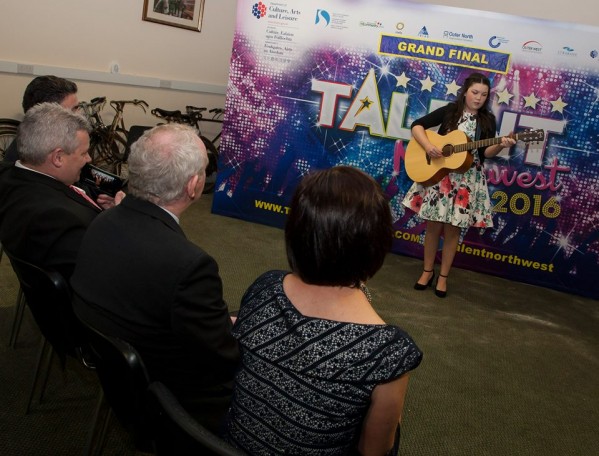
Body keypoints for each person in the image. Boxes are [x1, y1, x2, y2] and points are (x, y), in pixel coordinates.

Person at [223, 166, 423, 456]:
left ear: (296, 233)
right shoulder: (389, 352)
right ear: (376, 243)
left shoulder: (265, 287)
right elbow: (374, 451)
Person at [71, 124, 240, 432]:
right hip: (174, 402)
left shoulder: (101, 221)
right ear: (193, 185)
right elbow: (224, 357)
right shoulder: (189, 265)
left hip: (119, 380)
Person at [402, 72, 516, 298]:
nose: (478, 98)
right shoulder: (449, 112)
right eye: (475, 92)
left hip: (467, 180)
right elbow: (417, 126)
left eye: (484, 95)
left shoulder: (488, 120)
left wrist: (502, 145)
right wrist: (427, 146)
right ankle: (427, 272)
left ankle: (443, 277)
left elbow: (486, 153)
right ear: (465, 92)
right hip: (441, 177)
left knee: (453, 229)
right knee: (433, 226)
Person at [0, 102, 119, 281]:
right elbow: (104, 271)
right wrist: (118, 218)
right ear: (58, 158)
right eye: (84, 153)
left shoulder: (7, 175)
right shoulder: (57, 218)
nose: (89, 159)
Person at [3, 75, 79, 164]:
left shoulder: (48, 141)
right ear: (48, 115)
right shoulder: (30, 158)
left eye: (78, 108)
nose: (79, 115)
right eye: (73, 109)